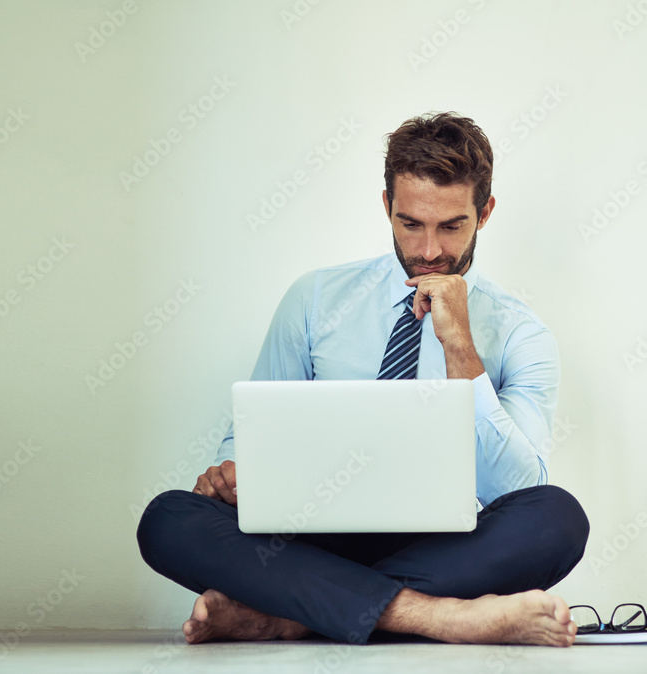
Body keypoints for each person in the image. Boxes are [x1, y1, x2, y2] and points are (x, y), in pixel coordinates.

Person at [136, 112, 590, 647]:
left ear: (484, 213)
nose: (428, 252)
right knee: (168, 518)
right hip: (311, 539)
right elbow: (249, 437)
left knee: (557, 518)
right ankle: (441, 618)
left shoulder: (521, 334)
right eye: (410, 223)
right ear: (386, 207)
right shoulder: (315, 300)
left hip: (440, 545)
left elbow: (517, 492)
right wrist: (232, 474)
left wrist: (460, 346)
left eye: (451, 226)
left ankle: (289, 616)